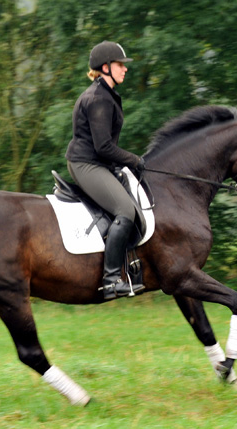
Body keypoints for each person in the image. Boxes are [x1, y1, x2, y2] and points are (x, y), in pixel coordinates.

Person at [65, 40, 146, 300]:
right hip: (86, 163)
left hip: (97, 162)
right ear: (106, 67)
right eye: (120, 65)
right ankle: (111, 280)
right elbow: (103, 147)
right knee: (125, 210)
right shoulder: (98, 99)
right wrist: (133, 159)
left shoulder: (106, 94)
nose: (125, 69)